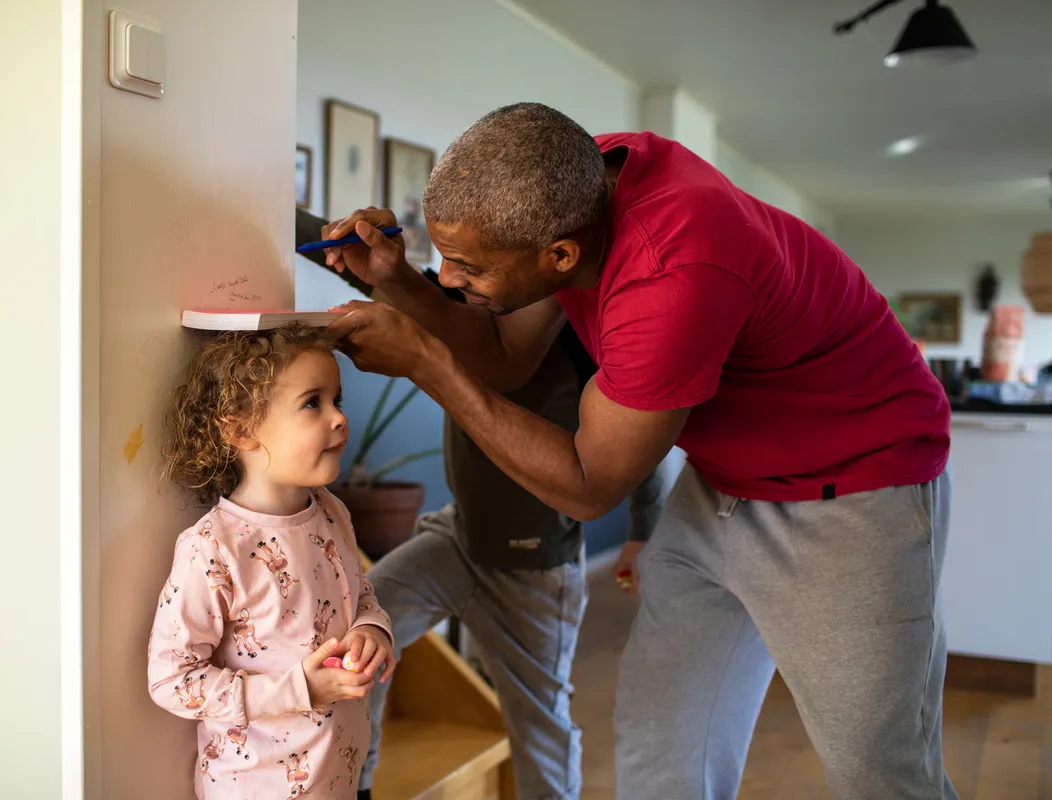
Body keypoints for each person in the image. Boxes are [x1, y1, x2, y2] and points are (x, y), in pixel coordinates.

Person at [320, 103, 956, 800]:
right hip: (722, 484)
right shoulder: (576, 187)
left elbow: (589, 484)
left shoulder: (671, 270)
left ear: (559, 255)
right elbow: (504, 358)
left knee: (881, 776)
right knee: (664, 758)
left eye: (468, 266)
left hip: (854, 487)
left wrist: (427, 365)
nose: (447, 278)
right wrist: (396, 280)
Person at [296, 206, 668, 800]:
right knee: (356, 634)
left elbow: (640, 448)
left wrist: (644, 532)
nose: (452, 279)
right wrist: (278, 213)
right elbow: (388, 279)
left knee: (538, 724)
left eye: (470, 268)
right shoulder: (462, 314)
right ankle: (356, 788)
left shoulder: (586, 343)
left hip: (534, 569)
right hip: (458, 537)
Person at [146, 326, 396, 799]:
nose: (339, 418)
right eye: (312, 403)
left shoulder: (331, 512)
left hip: (336, 778)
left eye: (337, 400)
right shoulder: (213, 549)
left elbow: (359, 595)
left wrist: (370, 631)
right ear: (240, 428)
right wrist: (299, 690)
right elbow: (171, 680)